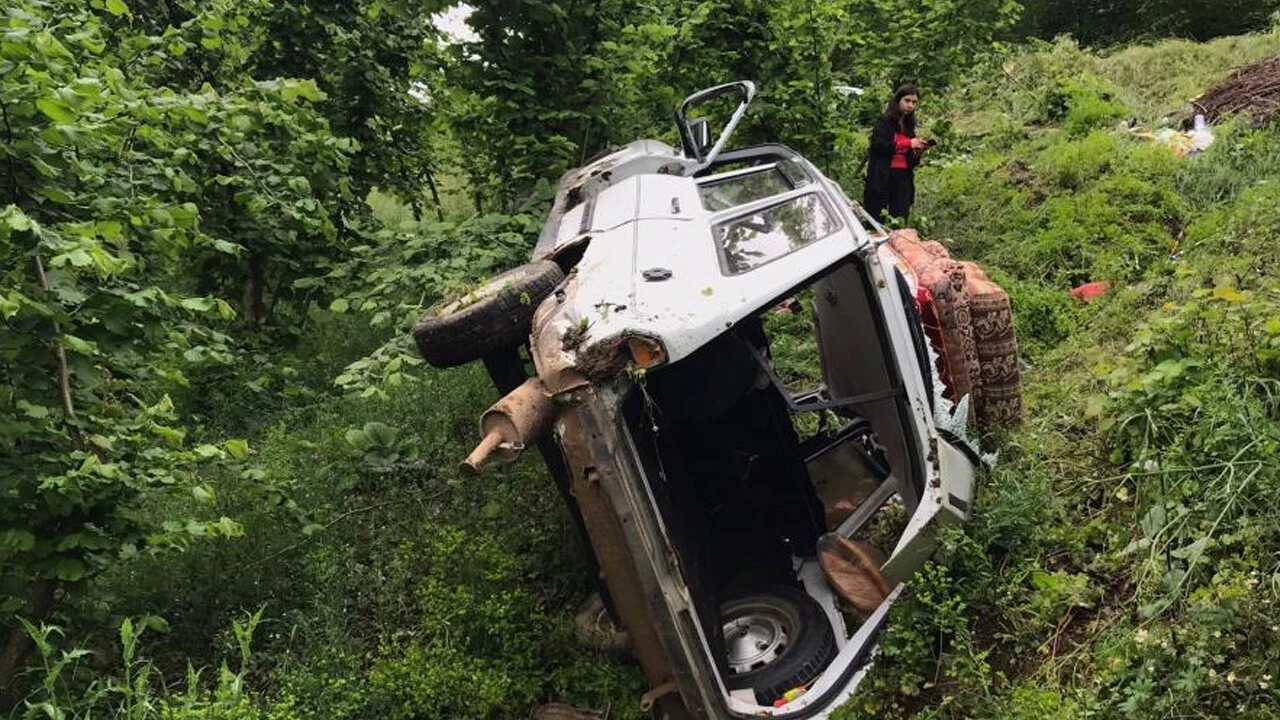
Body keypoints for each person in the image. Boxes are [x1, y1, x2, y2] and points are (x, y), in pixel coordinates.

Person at [864, 85, 930, 224]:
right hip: (882, 174)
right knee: (876, 216)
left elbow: (911, 160)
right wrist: (908, 144)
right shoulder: (884, 122)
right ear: (898, 100)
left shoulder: (909, 126)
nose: (910, 105)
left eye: (914, 102)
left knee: (900, 215)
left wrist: (917, 151)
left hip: (903, 175)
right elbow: (879, 147)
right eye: (907, 100)